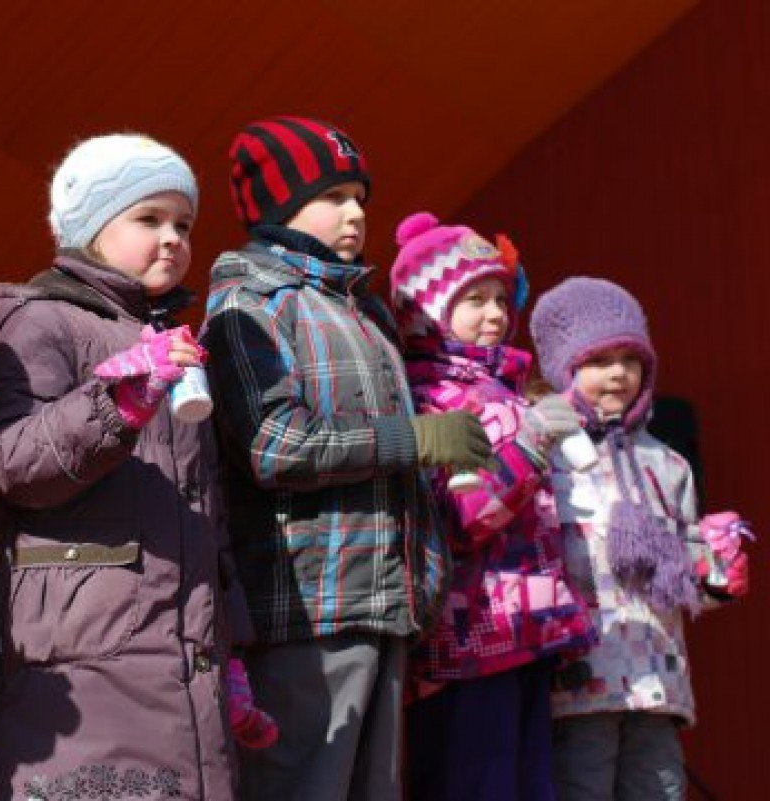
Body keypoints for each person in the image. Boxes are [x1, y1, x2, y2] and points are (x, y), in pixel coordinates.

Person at [202, 117, 492, 800]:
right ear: (278, 207)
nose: (355, 213)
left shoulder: (366, 313)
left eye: (359, 197)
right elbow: (274, 443)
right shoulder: (249, 303)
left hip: (383, 607)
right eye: (332, 196)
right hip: (305, 616)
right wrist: (414, 438)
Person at [0, 133, 273, 801]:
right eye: (148, 218)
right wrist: (117, 402)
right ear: (90, 227)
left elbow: (205, 517)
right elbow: (13, 462)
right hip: (85, 665)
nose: (172, 238)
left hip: (181, 665)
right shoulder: (40, 321)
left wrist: (231, 650)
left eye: (183, 224)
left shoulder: (173, 347)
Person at [388, 213, 596, 800]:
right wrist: (531, 445)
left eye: (501, 298)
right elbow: (458, 519)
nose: (496, 314)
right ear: (426, 311)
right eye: (474, 299)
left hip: (526, 633)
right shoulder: (429, 398)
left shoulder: (506, 389)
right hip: (469, 643)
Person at [530, 276, 753, 800]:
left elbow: (680, 575)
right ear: (564, 368)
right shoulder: (546, 456)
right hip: (578, 683)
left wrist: (714, 575)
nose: (618, 373)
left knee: (660, 789)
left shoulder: (667, 463)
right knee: (582, 787)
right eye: (599, 360)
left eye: (631, 360)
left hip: (657, 680)